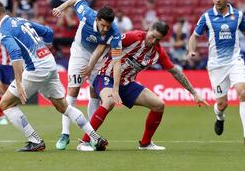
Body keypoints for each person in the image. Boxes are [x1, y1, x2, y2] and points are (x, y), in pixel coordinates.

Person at [0, 1, 108, 152]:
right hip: (49, 62)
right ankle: (96, 138)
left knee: (5, 104)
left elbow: (15, 53)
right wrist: (46, 48)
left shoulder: (4, 30)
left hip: (35, 69)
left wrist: (18, 81)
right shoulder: (20, 20)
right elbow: (48, 32)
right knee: (63, 106)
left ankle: (35, 140)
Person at [77, 21, 208, 151]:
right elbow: (105, 44)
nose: (153, 41)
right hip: (106, 76)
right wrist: (90, 66)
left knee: (158, 105)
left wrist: (194, 93)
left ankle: (145, 143)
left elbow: (175, 72)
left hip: (127, 83)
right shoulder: (133, 37)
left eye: (158, 39)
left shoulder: (158, 52)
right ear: (149, 29)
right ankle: (85, 142)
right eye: (152, 36)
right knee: (109, 101)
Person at [188, 0, 245, 146]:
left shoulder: (237, 15)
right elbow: (194, 36)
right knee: (222, 104)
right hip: (216, 66)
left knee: (242, 91)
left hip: (235, 61)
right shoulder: (206, 17)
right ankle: (219, 116)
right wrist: (191, 50)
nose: (217, 0)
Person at [52, 0, 122, 150]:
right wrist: (60, 8)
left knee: (95, 93)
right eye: (103, 25)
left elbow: (117, 62)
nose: (105, 29)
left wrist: (116, 88)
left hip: (99, 59)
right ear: (97, 19)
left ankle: (92, 135)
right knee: (73, 90)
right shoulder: (87, 13)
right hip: (79, 53)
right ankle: (65, 133)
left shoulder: (115, 32)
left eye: (108, 26)